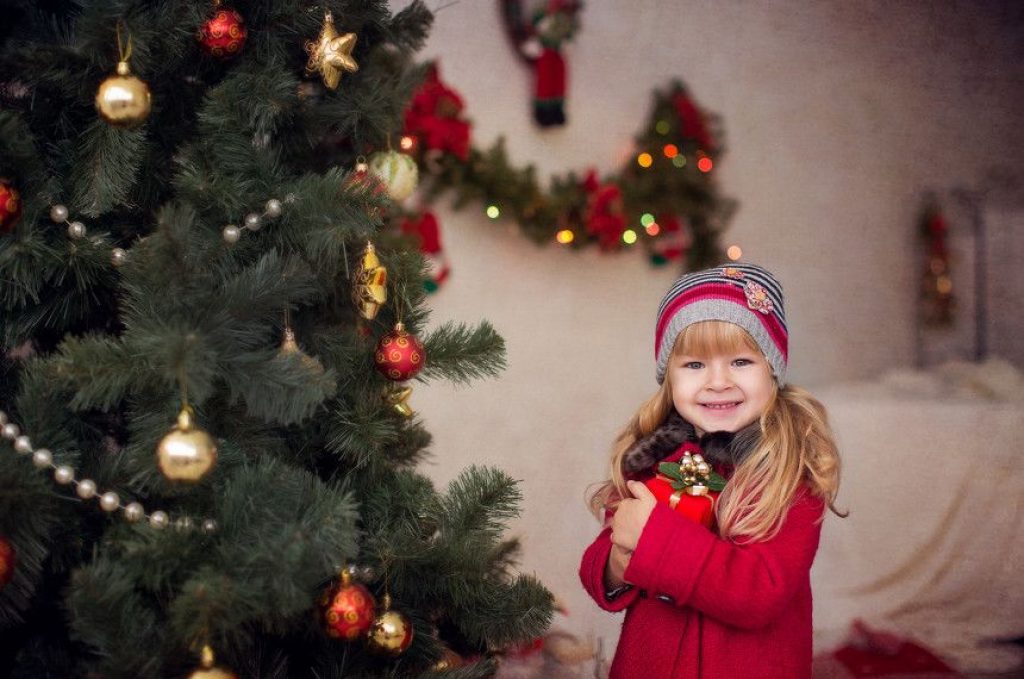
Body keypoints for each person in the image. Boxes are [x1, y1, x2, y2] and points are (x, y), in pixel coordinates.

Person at [579, 263, 844, 679]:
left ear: (772, 370)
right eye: (695, 365)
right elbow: (600, 572)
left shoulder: (789, 478)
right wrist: (616, 559)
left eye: (740, 361)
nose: (717, 382)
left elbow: (760, 593)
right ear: (669, 377)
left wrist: (656, 541)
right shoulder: (655, 462)